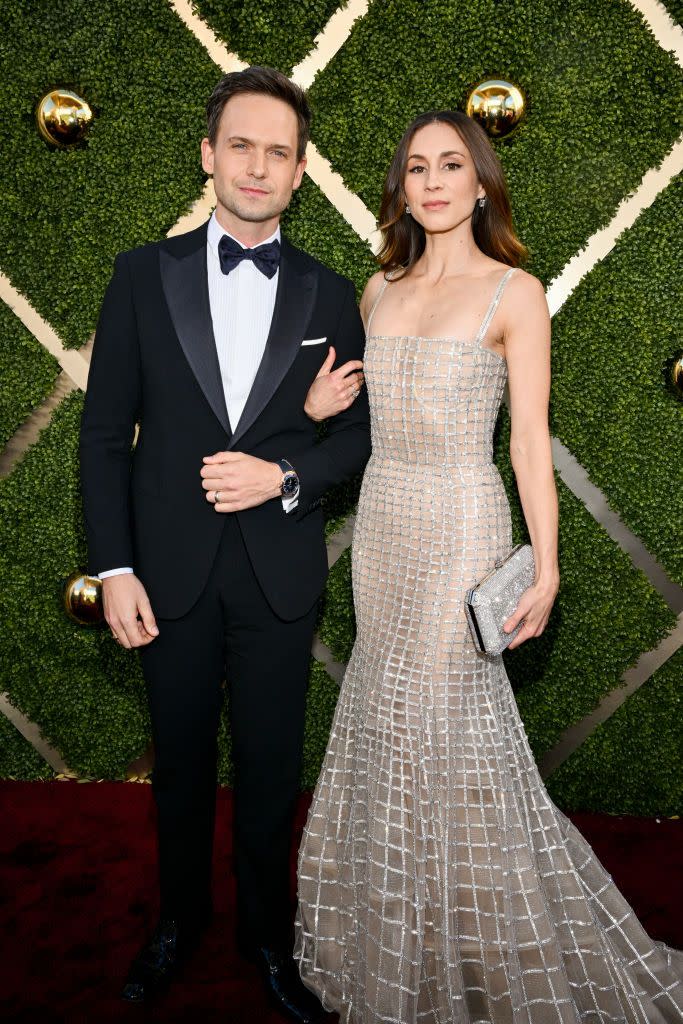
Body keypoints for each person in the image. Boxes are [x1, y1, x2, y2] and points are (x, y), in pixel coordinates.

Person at [295, 110, 683, 1022]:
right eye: (417, 168)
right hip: (384, 531)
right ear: (402, 187)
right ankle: (402, 950)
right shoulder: (377, 289)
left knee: (448, 731)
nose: (432, 182)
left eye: (451, 166)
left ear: (480, 183)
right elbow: (359, 426)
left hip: (462, 526)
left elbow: (529, 448)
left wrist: (545, 568)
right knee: (391, 733)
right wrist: (317, 410)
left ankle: (482, 949)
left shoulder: (515, 294)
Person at [79, 65, 369, 1022]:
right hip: (165, 573)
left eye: (277, 152)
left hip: (278, 575)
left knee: (272, 768)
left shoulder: (331, 295)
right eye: (240, 144)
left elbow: (357, 437)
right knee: (181, 761)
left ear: (298, 174)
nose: (257, 165)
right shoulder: (136, 276)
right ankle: (178, 922)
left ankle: (266, 938)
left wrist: (286, 474)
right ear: (209, 157)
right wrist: (114, 568)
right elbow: (102, 433)